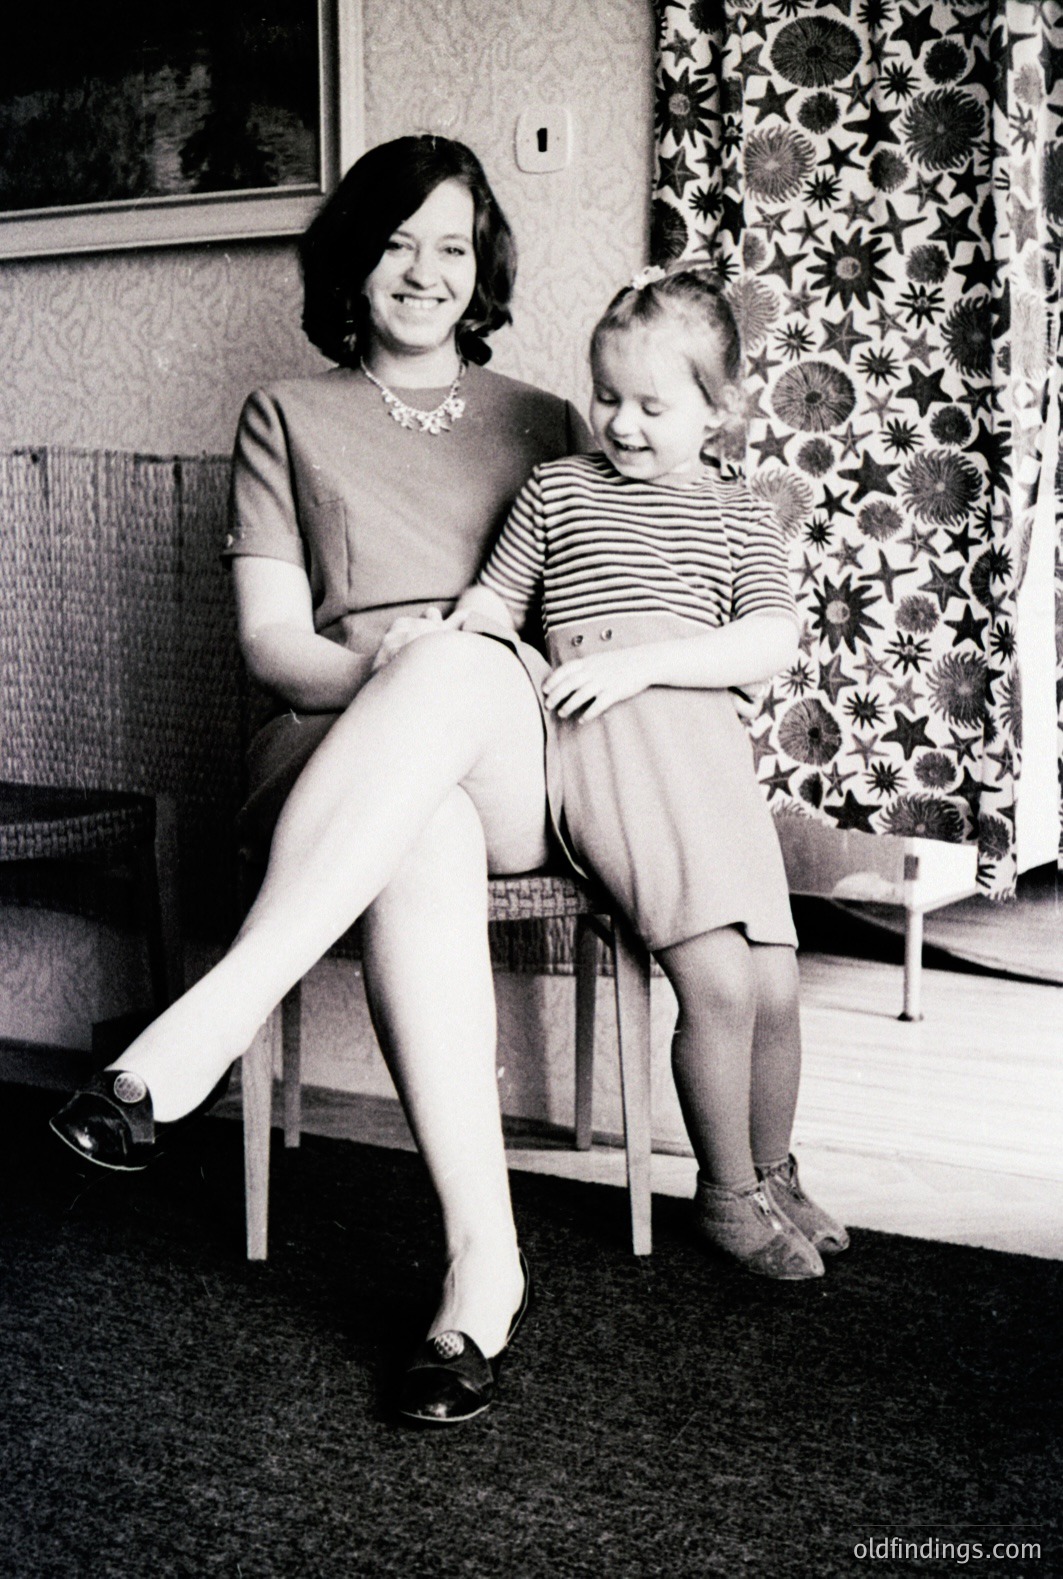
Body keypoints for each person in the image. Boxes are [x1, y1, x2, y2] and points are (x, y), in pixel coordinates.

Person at [50, 135, 585, 1426]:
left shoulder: (548, 422)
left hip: (509, 732)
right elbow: (273, 648)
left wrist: (452, 661)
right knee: (421, 827)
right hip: (338, 736)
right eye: (397, 239)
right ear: (353, 258)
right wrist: (384, 668)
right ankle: (481, 1265)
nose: (423, 269)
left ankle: (204, 1022)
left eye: (450, 244)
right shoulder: (285, 414)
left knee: (457, 672)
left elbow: (580, 630)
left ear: (483, 265)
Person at [456, 263, 849, 1279]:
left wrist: (651, 661)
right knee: (715, 980)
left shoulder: (737, 514)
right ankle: (723, 1195)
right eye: (606, 397)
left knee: (773, 980)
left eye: (652, 405)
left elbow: (768, 639)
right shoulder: (556, 491)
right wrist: (485, 646)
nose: (621, 423)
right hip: (611, 745)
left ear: (717, 409)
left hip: (704, 747)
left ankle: (770, 1169)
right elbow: (494, 611)